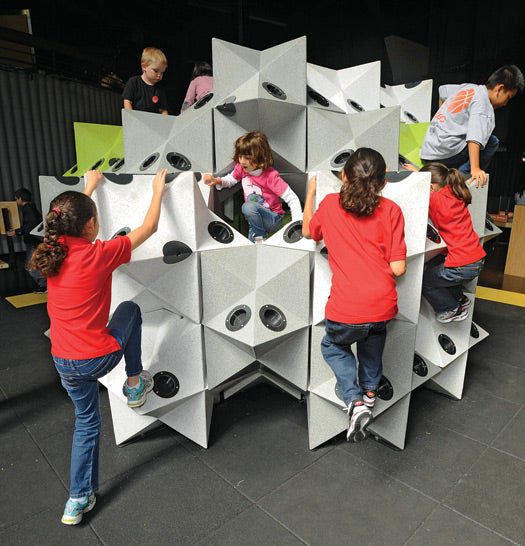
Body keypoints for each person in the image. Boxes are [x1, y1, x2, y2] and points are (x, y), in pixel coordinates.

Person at [29, 168, 168, 525]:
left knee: (86, 424)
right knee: (131, 309)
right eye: (94, 219)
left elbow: (68, 214)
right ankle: (135, 382)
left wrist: (89, 187)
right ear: (91, 226)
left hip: (63, 360)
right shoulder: (99, 254)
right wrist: (157, 190)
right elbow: (148, 229)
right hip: (96, 358)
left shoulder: (53, 251)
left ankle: (77, 500)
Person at [302, 148, 407, 442]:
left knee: (333, 347)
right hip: (383, 305)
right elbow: (398, 269)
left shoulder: (330, 204)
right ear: (383, 183)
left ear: (343, 176)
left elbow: (308, 232)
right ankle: (370, 393)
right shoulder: (392, 211)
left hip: (345, 309)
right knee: (373, 345)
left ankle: (354, 400)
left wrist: (310, 194)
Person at [420, 65, 524, 186]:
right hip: (445, 154)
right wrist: (475, 169)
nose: (506, 103)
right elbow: (474, 137)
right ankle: (462, 175)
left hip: (429, 149)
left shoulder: (470, 88)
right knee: (492, 141)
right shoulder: (483, 105)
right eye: (508, 97)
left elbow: (443, 91)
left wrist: (446, 121)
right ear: (499, 89)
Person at [204, 131, 303, 242]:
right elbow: (231, 179)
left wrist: (298, 224)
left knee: (248, 207)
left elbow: (292, 198)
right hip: (254, 220)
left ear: (260, 158)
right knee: (249, 211)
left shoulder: (270, 176)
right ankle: (257, 237)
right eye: (240, 156)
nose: (242, 161)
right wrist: (217, 181)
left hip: (273, 218)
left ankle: (259, 236)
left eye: (247, 157)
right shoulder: (241, 168)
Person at [419, 162, 486, 323]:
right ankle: (461, 299)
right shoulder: (454, 192)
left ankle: (449, 309)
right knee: (439, 270)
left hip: (462, 266)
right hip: (476, 259)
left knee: (425, 280)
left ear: (431, 186)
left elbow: (416, 197)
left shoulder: (434, 200)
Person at [6, 188, 47, 292]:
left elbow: (31, 224)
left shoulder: (28, 209)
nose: (16, 202)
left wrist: (17, 231)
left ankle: (44, 285)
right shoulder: (31, 208)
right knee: (36, 264)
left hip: (34, 242)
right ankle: (45, 285)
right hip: (36, 241)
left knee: (30, 266)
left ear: (20, 199)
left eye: (16, 199)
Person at [122, 47, 169, 114]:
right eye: (156, 71)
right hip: (136, 120)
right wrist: (131, 119)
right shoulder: (133, 82)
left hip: (152, 122)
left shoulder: (160, 89)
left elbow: (163, 110)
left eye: (162, 72)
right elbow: (127, 102)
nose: (159, 75)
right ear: (144, 67)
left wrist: (166, 122)